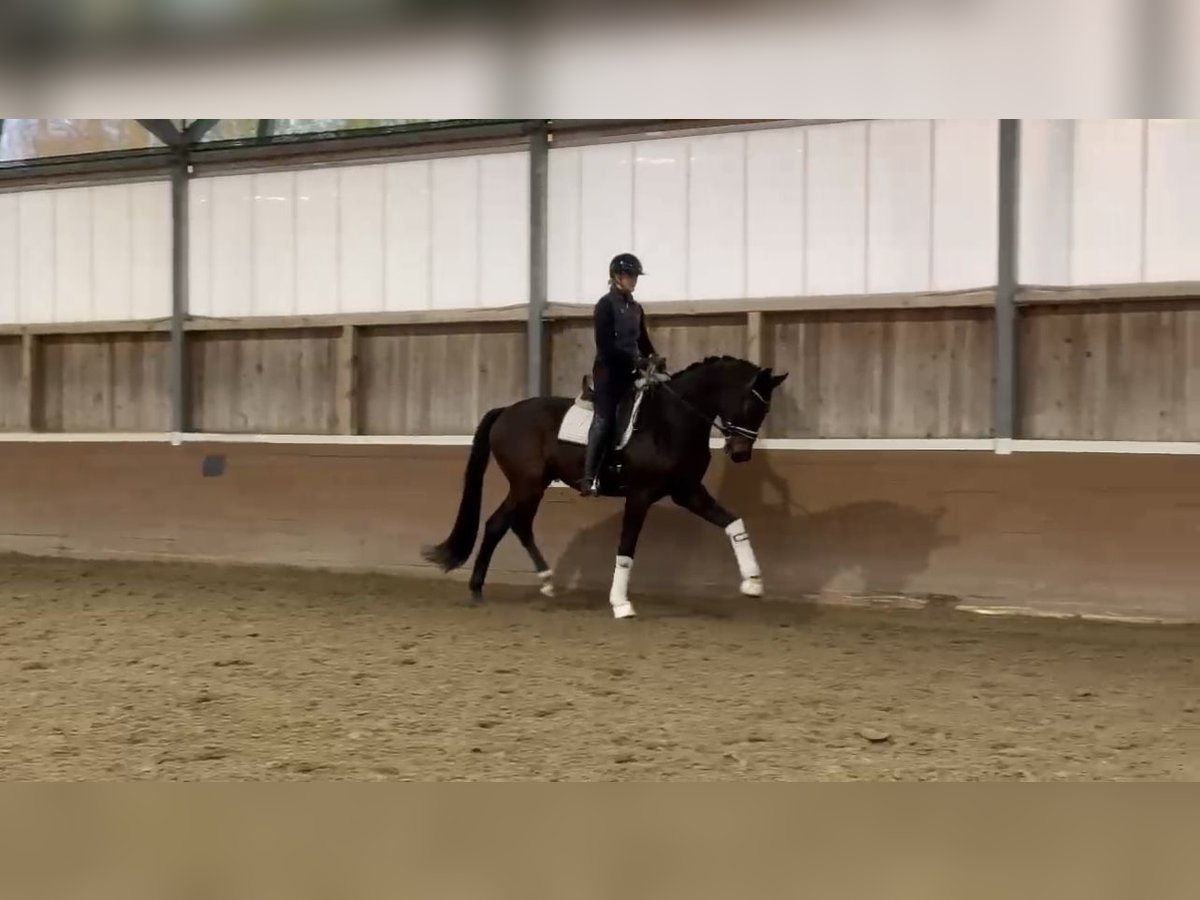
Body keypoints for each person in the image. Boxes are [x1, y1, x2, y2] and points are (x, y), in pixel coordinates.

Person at [578, 252, 660, 497]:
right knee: (605, 421)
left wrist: (654, 358)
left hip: (631, 372)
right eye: (629, 275)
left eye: (635, 275)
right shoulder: (605, 305)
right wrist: (635, 360)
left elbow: (642, 340)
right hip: (608, 373)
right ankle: (589, 477)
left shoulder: (636, 308)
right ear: (616, 276)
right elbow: (605, 344)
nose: (633, 280)